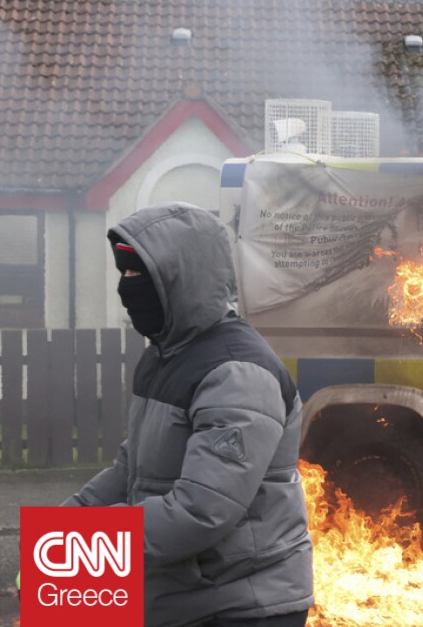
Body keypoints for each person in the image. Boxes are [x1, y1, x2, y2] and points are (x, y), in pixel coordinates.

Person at [61, 203, 314, 627]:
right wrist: (66, 527)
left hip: (242, 606)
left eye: (138, 275)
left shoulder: (237, 373)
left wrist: (89, 546)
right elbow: (131, 470)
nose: (126, 288)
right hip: (185, 598)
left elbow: (202, 511)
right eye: (123, 273)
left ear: (181, 278)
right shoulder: (165, 358)